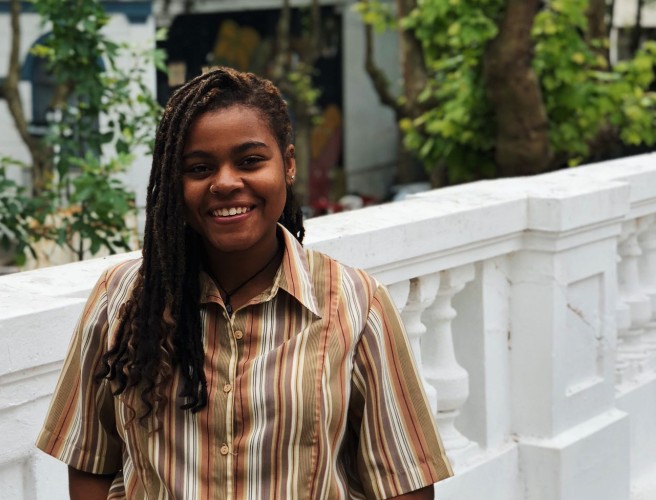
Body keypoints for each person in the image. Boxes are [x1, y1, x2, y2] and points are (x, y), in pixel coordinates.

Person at [37, 68, 452, 499]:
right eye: (199, 168)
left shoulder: (357, 304)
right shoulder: (120, 299)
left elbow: (404, 482)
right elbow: (90, 461)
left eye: (250, 161)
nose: (226, 183)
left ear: (288, 165)